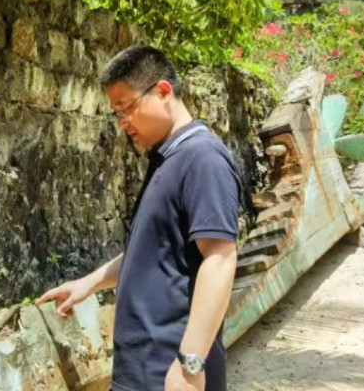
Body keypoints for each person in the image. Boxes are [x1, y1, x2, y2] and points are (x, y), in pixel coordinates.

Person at [36, 45, 241, 391]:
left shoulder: (203, 158)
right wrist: (88, 284)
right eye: (116, 113)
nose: (122, 123)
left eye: (126, 107)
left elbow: (220, 259)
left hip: (171, 373)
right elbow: (151, 251)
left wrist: (190, 364)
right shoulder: (167, 159)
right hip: (140, 373)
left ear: (163, 91)